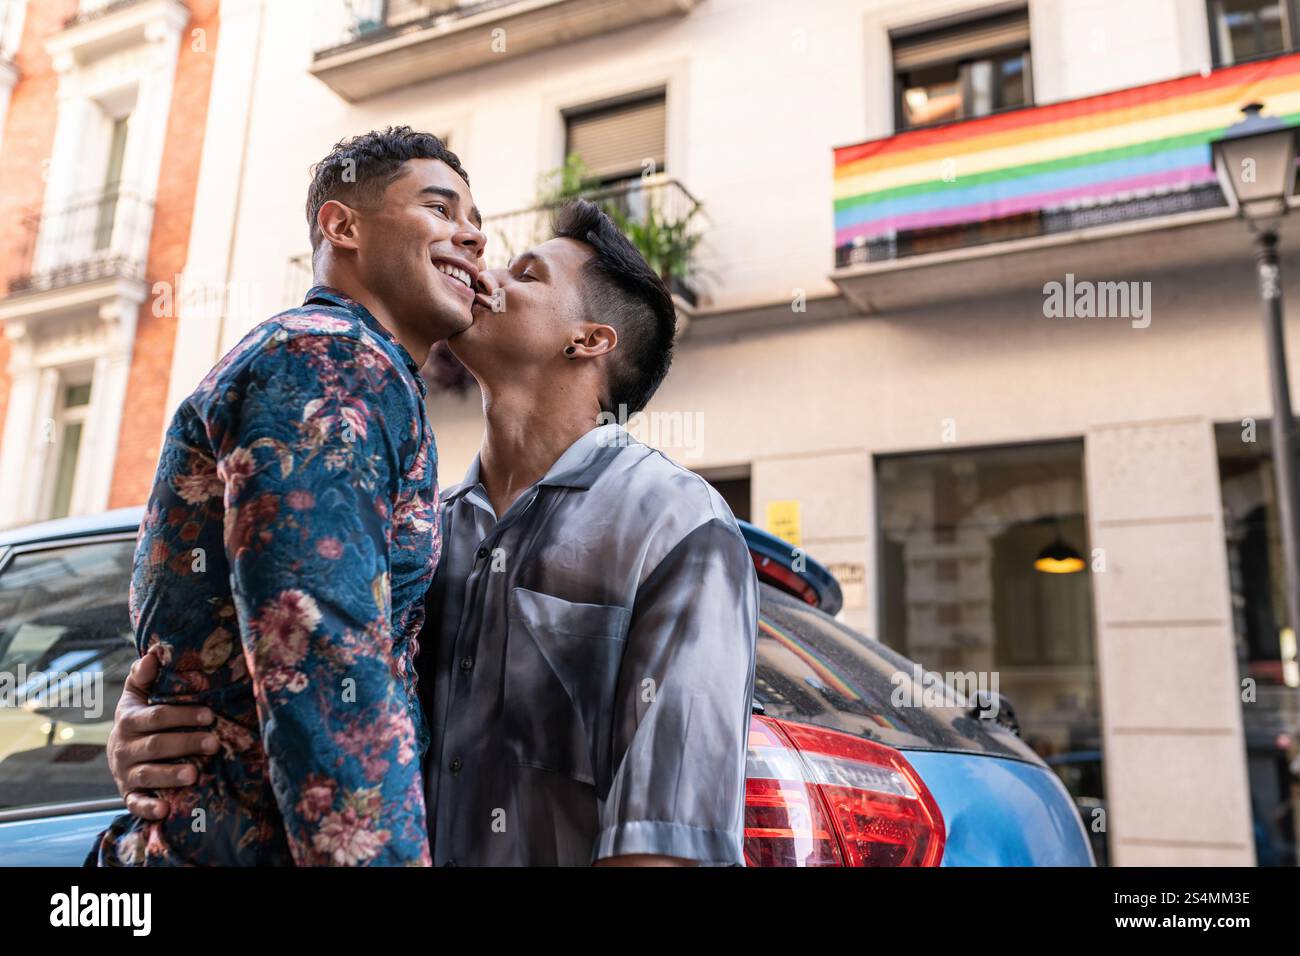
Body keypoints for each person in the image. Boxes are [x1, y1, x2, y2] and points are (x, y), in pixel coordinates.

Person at [108, 200, 759, 866]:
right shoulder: (419, 528)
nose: (484, 274)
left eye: (525, 274)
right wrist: (149, 731)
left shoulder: (678, 524)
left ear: (588, 340)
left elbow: (669, 838)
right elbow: (317, 698)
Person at [94, 127, 485, 866]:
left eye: (476, 227)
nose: (473, 237)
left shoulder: (364, 368)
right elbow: (321, 646)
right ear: (342, 226)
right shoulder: (327, 356)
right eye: (442, 209)